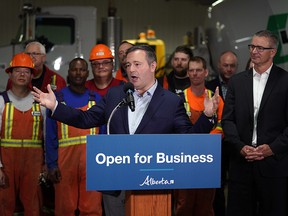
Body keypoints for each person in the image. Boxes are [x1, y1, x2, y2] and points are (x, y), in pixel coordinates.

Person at [32, 45, 220, 216]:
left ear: (153, 66)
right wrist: (56, 106)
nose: (131, 69)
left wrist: (207, 116)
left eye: (137, 64)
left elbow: (188, 138)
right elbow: (85, 118)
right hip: (117, 181)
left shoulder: (171, 102)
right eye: (128, 65)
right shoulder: (116, 95)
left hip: (152, 185)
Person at [222, 30, 288, 216]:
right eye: (252, 46)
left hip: (273, 166)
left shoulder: (285, 81)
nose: (254, 51)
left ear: (272, 52)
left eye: (260, 47)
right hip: (241, 164)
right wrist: (240, 146)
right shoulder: (236, 82)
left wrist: (272, 148)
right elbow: (227, 120)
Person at [45, 57, 103, 216]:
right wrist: (51, 164)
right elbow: (50, 135)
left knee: (91, 208)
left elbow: (104, 132)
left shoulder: (97, 99)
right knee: (64, 208)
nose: (78, 73)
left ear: (87, 73)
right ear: (68, 73)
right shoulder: (56, 99)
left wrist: (105, 162)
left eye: (82, 69)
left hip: (93, 162)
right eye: (74, 69)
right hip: (64, 163)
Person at [174, 56, 224, 216]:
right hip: (184, 160)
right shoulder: (179, 99)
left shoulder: (216, 98)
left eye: (199, 70)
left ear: (206, 72)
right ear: (187, 73)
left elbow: (222, 125)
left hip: (208, 159)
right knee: (184, 205)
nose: (195, 74)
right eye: (192, 70)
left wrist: (206, 142)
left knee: (205, 206)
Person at [0, 53, 45, 216]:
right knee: (4, 205)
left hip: (33, 163)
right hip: (6, 164)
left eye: (26, 71)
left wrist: (46, 163)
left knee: (33, 206)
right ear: (10, 74)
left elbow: (47, 136)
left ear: (32, 75)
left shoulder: (40, 102)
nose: (22, 74)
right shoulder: (1, 101)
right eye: (17, 70)